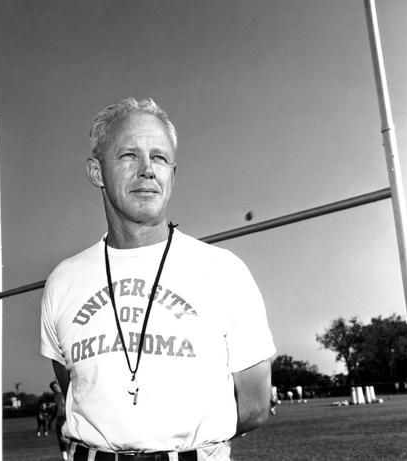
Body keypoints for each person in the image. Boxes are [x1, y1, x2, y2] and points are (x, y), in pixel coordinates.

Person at [40, 97, 276, 460]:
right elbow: (76, 387)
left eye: (160, 157)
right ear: (97, 172)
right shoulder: (63, 282)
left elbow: (255, 404)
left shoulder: (224, 271)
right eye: (128, 155)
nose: (148, 169)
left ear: (173, 174)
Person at [50, 380, 70, 461]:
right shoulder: (56, 396)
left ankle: (72, 454)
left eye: (55, 387)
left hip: (66, 418)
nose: (54, 389)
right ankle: (64, 457)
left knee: (65, 438)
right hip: (59, 419)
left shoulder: (65, 393)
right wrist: (51, 420)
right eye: (52, 388)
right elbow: (57, 409)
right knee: (60, 439)